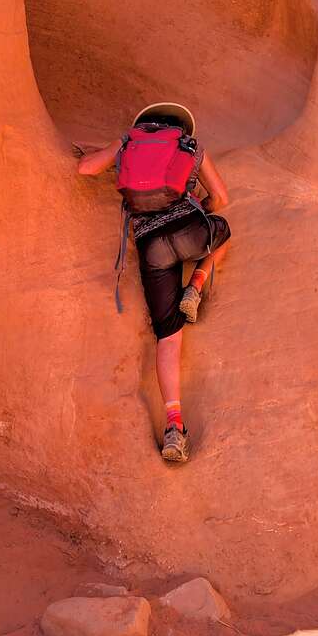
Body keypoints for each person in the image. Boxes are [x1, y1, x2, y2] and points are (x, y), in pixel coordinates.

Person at [75, 103, 230, 464]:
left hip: (153, 249)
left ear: (144, 125)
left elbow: (85, 168)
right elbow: (222, 198)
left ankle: (174, 426)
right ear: (181, 126)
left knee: (169, 337)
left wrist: (102, 153)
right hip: (190, 231)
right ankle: (197, 283)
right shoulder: (190, 146)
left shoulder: (129, 141)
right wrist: (199, 207)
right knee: (222, 233)